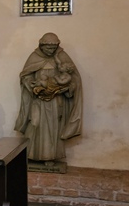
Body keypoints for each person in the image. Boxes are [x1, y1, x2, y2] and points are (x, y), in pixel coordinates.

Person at [14, 32, 83, 163]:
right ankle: (30, 155)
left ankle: (49, 157)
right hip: (38, 99)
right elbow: (25, 76)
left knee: (53, 127)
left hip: (55, 100)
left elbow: (74, 80)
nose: (51, 50)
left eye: (53, 48)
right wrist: (32, 86)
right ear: (41, 46)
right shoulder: (34, 57)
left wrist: (64, 88)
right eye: (48, 48)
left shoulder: (62, 56)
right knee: (34, 123)